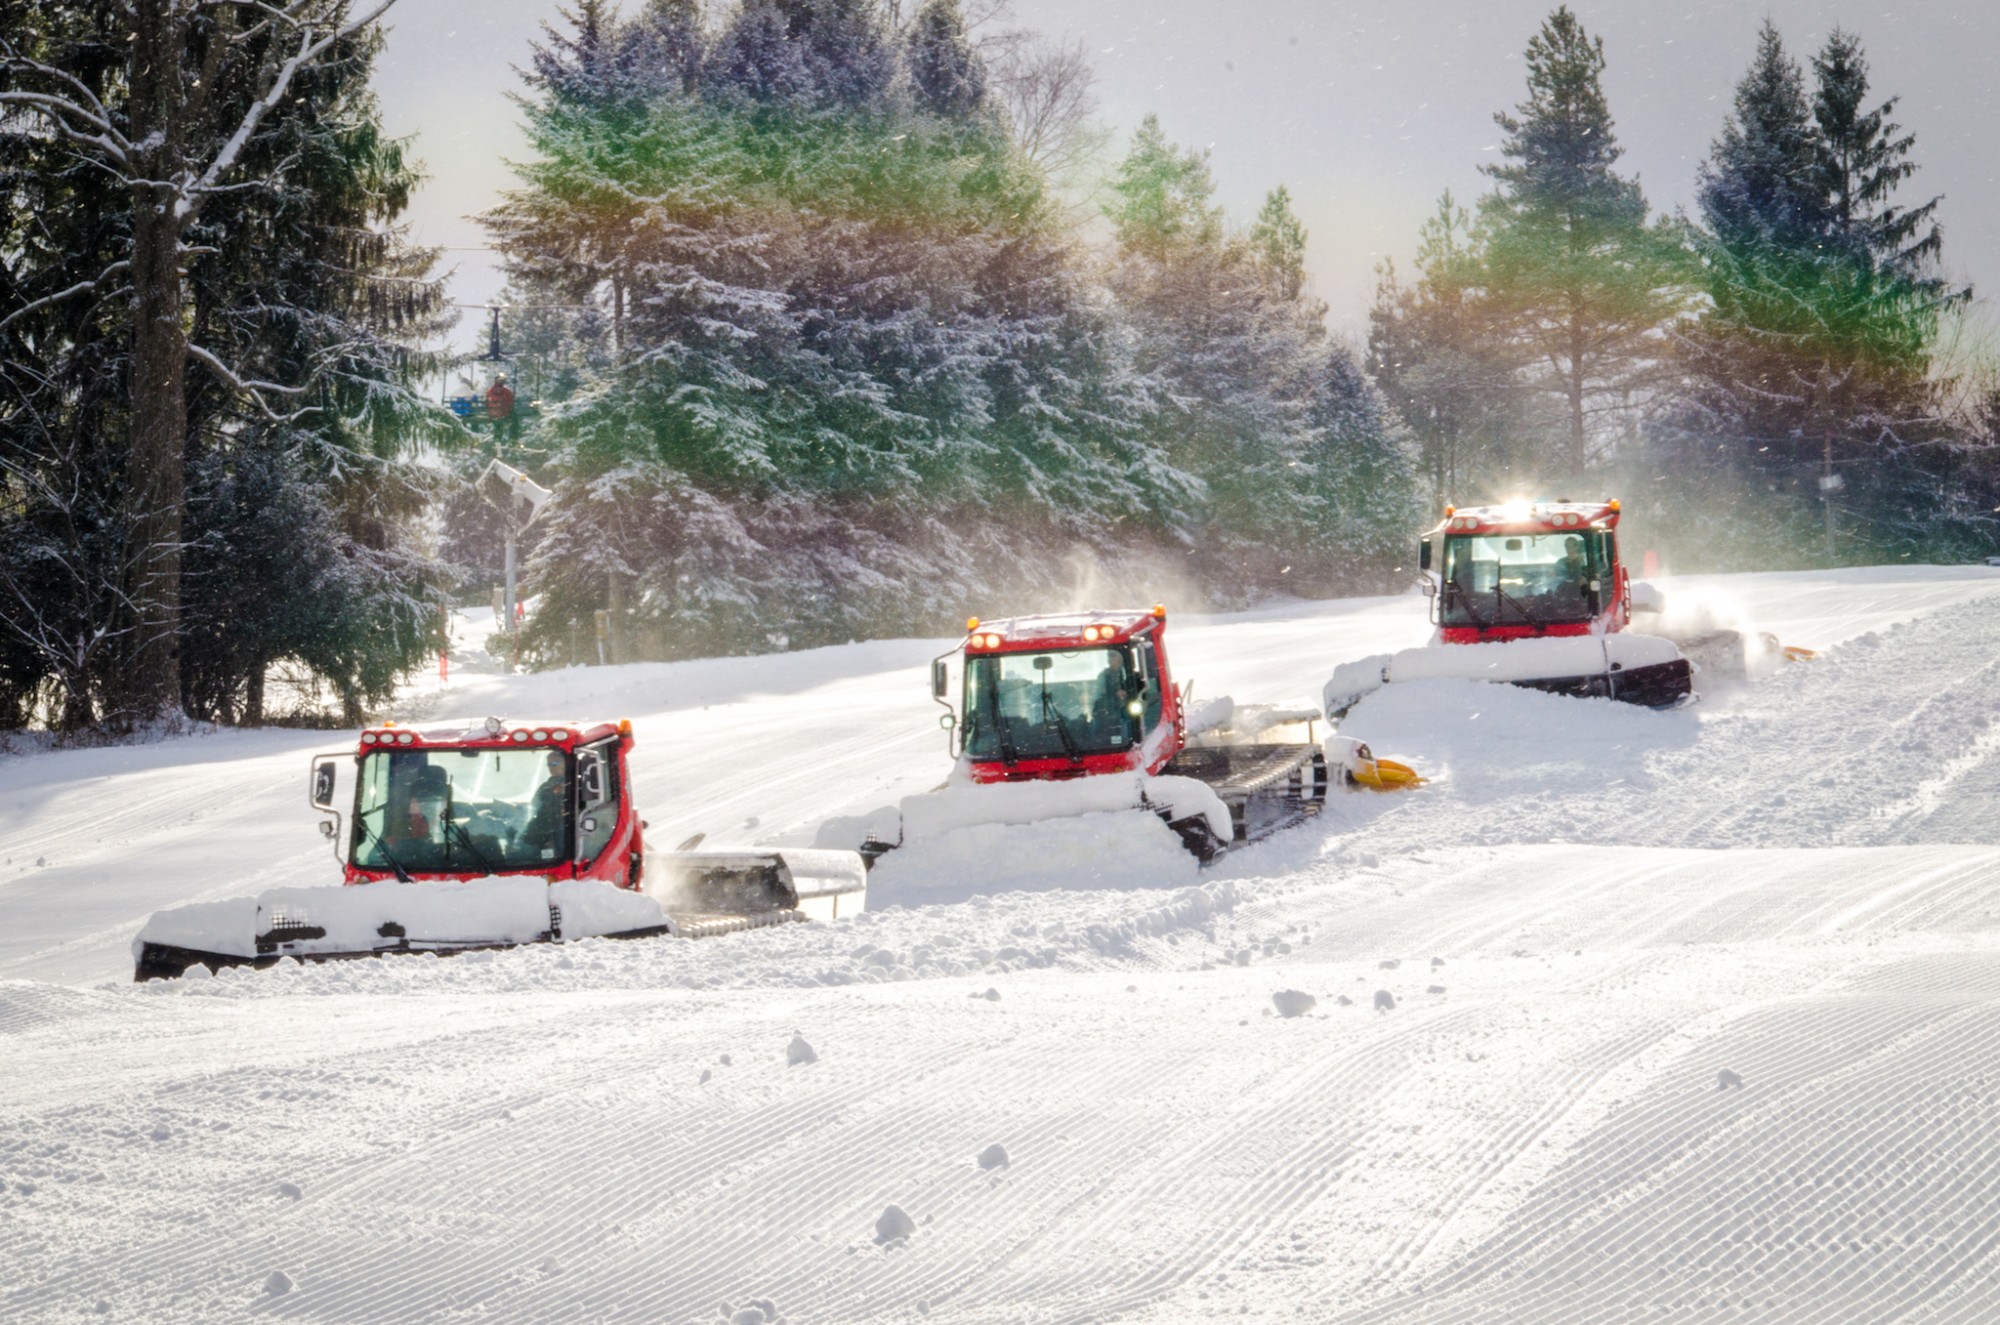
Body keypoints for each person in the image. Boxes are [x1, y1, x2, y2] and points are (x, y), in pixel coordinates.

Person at [519, 749, 570, 862]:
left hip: (565, 829)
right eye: (549, 764)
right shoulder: (546, 786)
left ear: (566, 762)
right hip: (545, 828)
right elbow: (533, 806)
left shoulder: (575, 784)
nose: (551, 768)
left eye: (555, 764)